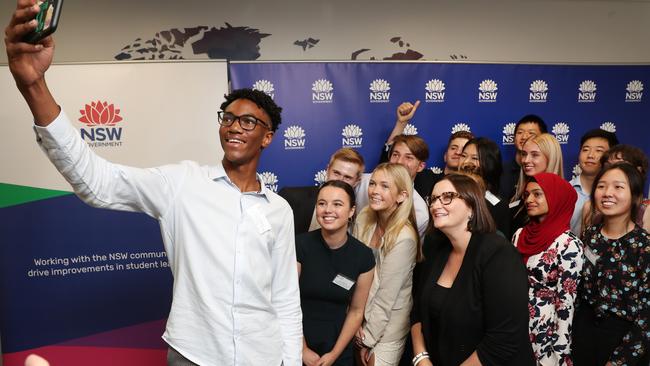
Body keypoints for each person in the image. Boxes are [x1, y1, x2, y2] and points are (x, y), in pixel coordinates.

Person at [5, 4, 302, 365]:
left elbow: (286, 298)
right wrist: (33, 85)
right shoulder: (182, 183)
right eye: (228, 117)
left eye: (249, 122)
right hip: (194, 355)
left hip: (264, 356)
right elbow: (97, 183)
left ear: (267, 137)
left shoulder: (280, 211)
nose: (235, 126)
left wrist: (289, 359)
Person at [411, 174, 535, 366]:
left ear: (471, 205)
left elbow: (504, 340)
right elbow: (418, 311)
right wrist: (421, 359)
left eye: (447, 197)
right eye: (433, 199)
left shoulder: (499, 255)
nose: (436, 205)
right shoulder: (435, 248)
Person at [572, 162, 650, 366]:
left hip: (624, 338)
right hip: (584, 333)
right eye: (601, 186)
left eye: (618, 187)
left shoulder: (644, 246)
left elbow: (647, 316)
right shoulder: (591, 235)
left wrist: (619, 361)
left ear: (634, 195)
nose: (607, 193)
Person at [297, 180, 375, 366]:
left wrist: (334, 354)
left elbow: (356, 311)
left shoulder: (363, 256)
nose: (327, 210)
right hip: (297, 341)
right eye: (322, 203)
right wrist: (302, 349)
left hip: (338, 346)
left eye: (337, 204)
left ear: (351, 211)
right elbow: (287, 301)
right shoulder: (299, 245)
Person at [512, 173, 583, 365]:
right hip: (514, 321)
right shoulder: (519, 235)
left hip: (546, 329)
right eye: (527, 195)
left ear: (556, 197)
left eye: (537, 194)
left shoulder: (569, 244)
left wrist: (559, 350)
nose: (529, 200)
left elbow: (566, 301)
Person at [353, 163, 421, 366]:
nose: (374, 191)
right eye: (372, 183)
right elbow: (353, 270)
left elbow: (386, 297)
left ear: (401, 196)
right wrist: (353, 320)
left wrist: (368, 339)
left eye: (384, 186)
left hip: (386, 329)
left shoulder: (404, 237)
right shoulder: (365, 217)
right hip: (358, 318)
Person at [377, 101, 474, 201]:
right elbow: (389, 167)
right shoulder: (425, 178)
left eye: (463, 151)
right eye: (453, 148)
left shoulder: (473, 188)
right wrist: (401, 124)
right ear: (445, 155)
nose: (458, 152)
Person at [357, 135, 430, 239]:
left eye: (408, 157)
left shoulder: (419, 211)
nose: (399, 162)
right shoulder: (362, 181)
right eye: (395, 155)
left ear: (420, 166)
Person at [280, 148, 365, 234]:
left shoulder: (360, 213)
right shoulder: (291, 198)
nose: (339, 180)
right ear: (327, 170)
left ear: (357, 181)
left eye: (347, 177)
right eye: (336, 173)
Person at [582, 144, 650, 232]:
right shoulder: (590, 207)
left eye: (622, 166)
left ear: (638, 171)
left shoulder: (646, 210)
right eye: (607, 166)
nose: (613, 171)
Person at [510, 133, 564, 238]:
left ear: (550, 158)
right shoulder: (516, 194)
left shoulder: (562, 199)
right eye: (524, 154)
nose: (526, 160)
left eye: (534, 155)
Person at [569, 128, 619, 235]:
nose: (590, 155)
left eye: (599, 150)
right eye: (585, 149)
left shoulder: (616, 196)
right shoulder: (564, 190)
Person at [458, 137, 510, 236]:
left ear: (489, 164)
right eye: (463, 156)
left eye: (475, 158)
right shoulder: (446, 191)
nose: (465, 162)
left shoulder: (497, 205)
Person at [500, 114, 548, 201]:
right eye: (520, 132)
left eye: (531, 133)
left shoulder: (547, 172)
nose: (524, 137)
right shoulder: (501, 171)